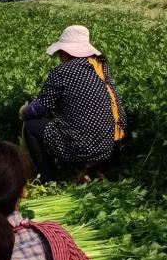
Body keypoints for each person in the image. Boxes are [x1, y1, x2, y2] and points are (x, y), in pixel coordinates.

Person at [21, 24, 127, 182]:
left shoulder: (61, 72)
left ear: (66, 52)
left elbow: (41, 108)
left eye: (60, 53)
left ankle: (49, 178)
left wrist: (23, 111)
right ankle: (90, 168)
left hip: (83, 148)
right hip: (111, 146)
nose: (59, 57)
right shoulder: (100, 67)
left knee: (31, 126)